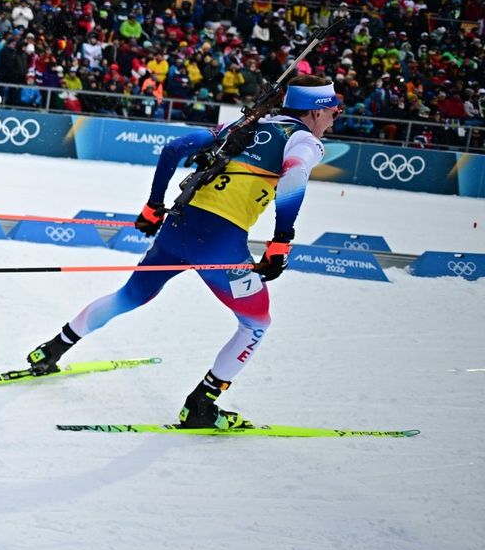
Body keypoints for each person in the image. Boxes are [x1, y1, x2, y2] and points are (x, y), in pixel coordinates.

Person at [22, 75, 342, 429]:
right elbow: (294, 177)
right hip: (219, 244)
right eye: (334, 113)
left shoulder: (243, 123)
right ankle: (201, 405)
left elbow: (175, 147)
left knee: (128, 296)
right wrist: (282, 240)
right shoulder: (303, 140)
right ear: (316, 111)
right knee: (256, 323)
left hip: (177, 229)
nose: (333, 121)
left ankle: (51, 349)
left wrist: (152, 207)